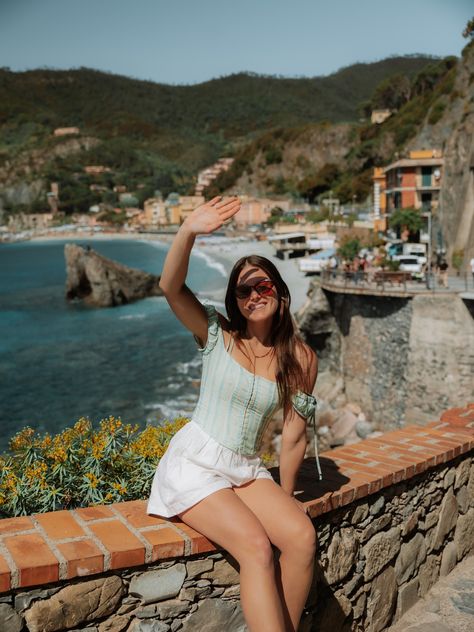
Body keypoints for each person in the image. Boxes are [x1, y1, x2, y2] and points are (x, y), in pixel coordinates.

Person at [147, 196, 320, 632]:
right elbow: (170, 286)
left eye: (262, 286)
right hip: (196, 462)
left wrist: (287, 493)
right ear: (235, 299)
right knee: (257, 548)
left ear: (280, 293)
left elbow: (295, 436)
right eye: (244, 290)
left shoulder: (300, 358)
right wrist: (188, 230)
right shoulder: (215, 333)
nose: (254, 295)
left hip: (244, 469)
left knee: (300, 536)